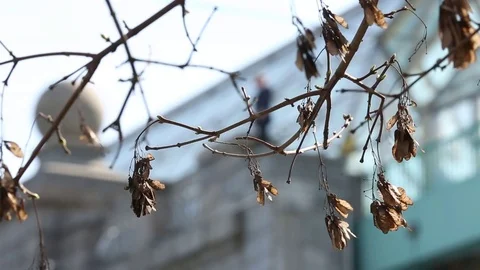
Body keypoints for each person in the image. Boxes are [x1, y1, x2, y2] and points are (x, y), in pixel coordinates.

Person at [254, 75, 272, 142]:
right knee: (261, 132)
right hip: (260, 115)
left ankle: (266, 143)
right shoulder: (261, 92)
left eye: (258, 82)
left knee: (264, 133)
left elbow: (265, 103)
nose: (257, 84)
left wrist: (263, 113)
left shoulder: (266, 91)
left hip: (264, 115)